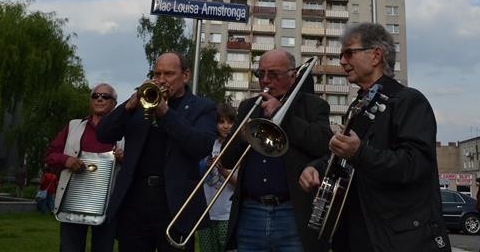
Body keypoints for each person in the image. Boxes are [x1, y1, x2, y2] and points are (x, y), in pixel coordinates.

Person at [299, 22, 450, 252]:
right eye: (341, 55)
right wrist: (317, 167)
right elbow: (347, 160)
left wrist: (359, 152)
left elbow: (414, 166)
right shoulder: (359, 105)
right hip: (356, 234)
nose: (342, 61)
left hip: (398, 240)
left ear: (376, 55)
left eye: (349, 52)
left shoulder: (409, 101)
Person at [96, 51, 217, 252]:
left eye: (168, 74)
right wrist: (128, 106)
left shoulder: (202, 107)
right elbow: (103, 134)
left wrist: (166, 113)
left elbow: (200, 146)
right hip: (135, 201)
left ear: (185, 75)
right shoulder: (140, 103)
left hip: (174, 204)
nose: (161, 80)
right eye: (157, 73)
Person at [219, 49, 332, 252]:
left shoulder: (314, 106)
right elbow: (226, 160)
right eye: (260, 74)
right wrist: (243, 137)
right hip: (250, 212)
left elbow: (322, 143)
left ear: (293, 75)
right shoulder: (248, 107)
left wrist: (282, 114)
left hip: (292, 213)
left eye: (273, 75)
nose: (265, 80)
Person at [46, 83, 123, 252]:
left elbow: (136, 165)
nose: (100, 99)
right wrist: (66, 160)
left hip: (107, 204)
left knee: (103, 248)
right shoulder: (74, 126)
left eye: (105, 96)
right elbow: (51, 154)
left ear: (114, 103)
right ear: (90, 101)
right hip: (72, 202)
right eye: (95, 96)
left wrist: (124, 158)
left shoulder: (123, 131)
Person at [197, 103, 237, 252]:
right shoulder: (208, 144)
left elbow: (240, 184)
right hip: (205, 213)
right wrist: (206, 166)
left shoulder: (238, 148)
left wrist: (223, 171)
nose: (226, 126)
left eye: (230, 122)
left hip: (227, 214)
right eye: (221, 122)